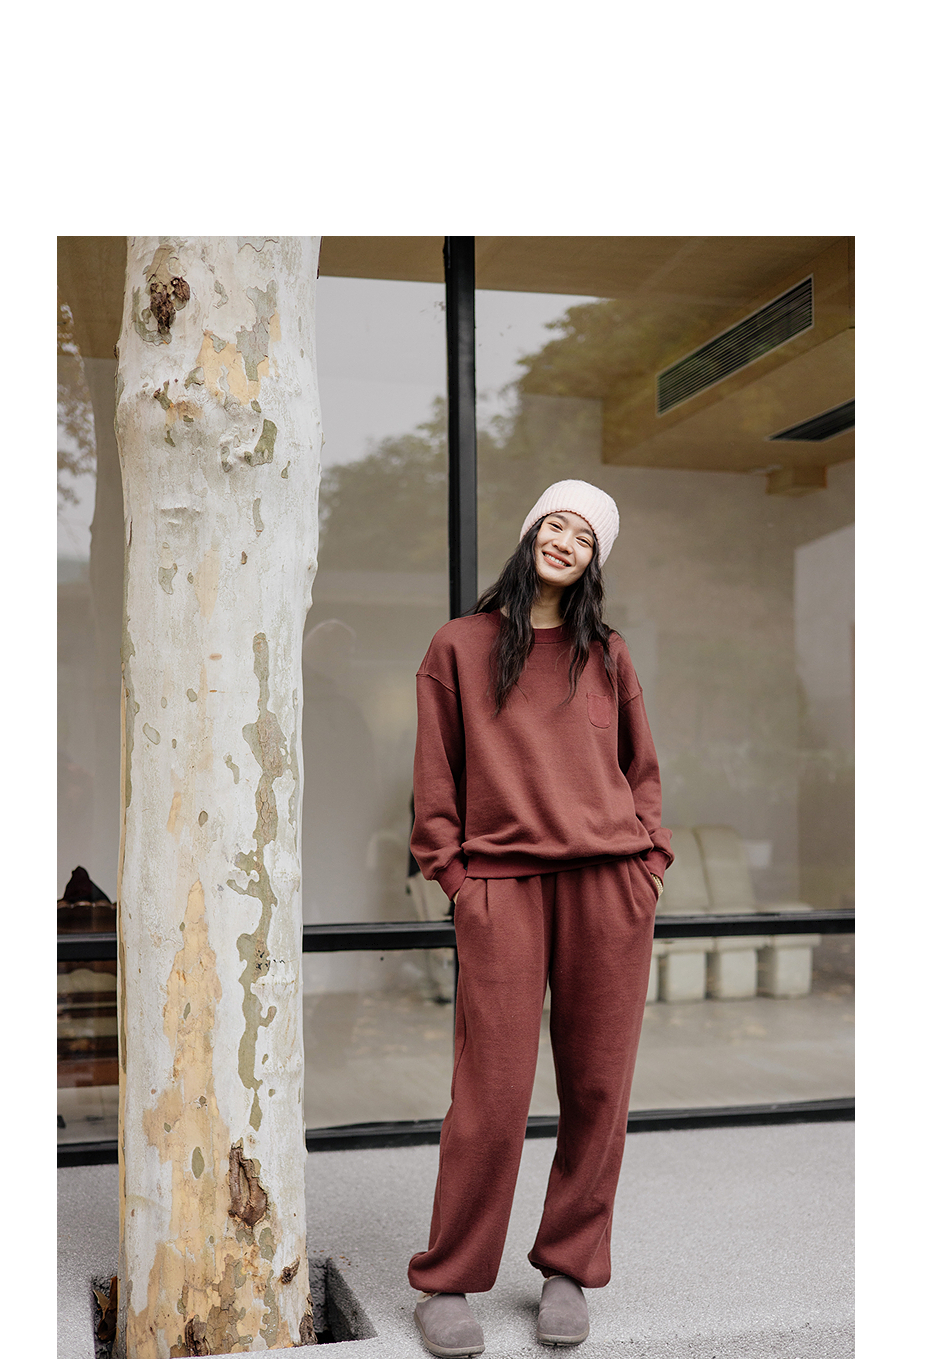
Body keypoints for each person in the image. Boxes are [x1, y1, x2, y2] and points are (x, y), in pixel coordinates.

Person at [407, 480, 673, 1356]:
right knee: (491, 1095)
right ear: (530, 535)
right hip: (503, 888)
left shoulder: (608, 653)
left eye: (584, 535)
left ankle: (568, 1268)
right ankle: (447, 1279)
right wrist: (456, 878)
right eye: (555, 523)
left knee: (598, 1087)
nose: (565, 540)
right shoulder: (459, 645)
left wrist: (648, 864)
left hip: (609, 887)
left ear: (595, 559)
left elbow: (641, 770)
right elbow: (435, 780)